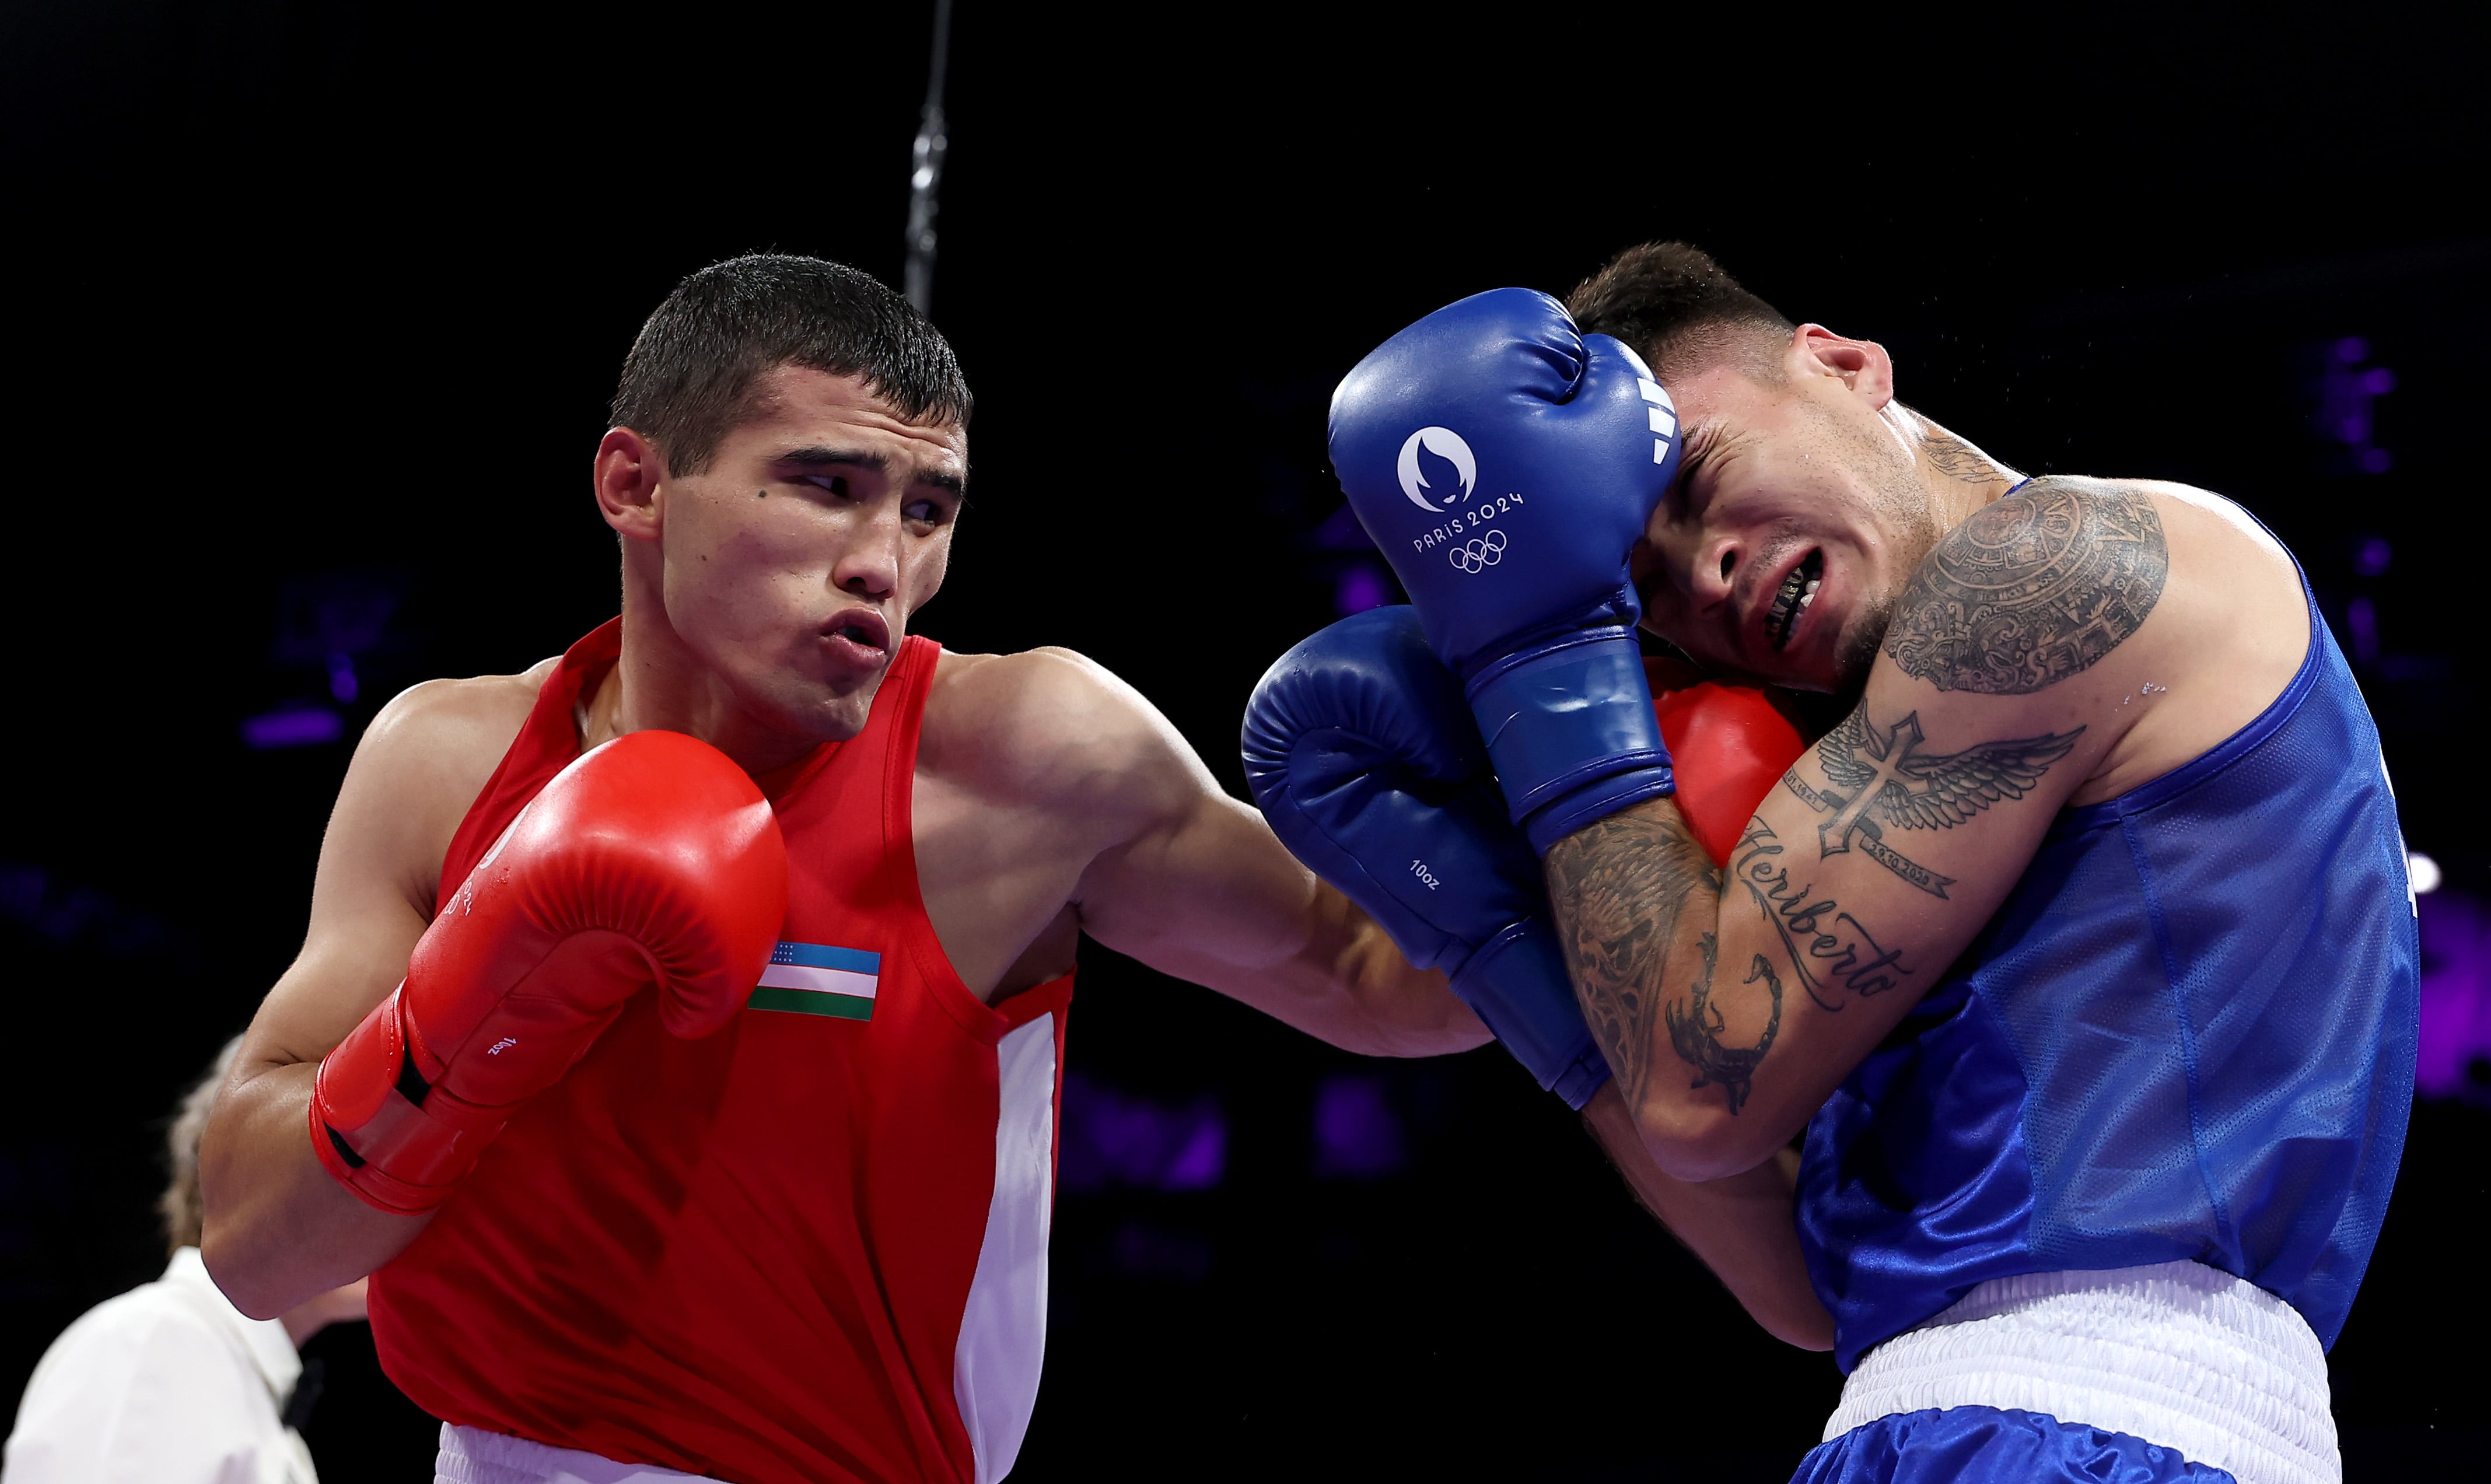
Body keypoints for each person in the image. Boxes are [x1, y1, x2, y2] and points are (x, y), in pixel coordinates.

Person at [194, 254, 1817, 1484]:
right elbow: (259, 1250)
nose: (881, 560)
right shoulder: (449, 759)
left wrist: (1605, 748)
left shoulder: (1021, 750)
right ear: (635, 485)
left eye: (928, 507)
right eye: (824, 484)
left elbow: (1376, 982)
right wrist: (469, 1009)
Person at [1287, 249, 2417, 1484]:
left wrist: (1534, 652)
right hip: (1949, 1416)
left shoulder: (2067, 565)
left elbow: (1693, 1093)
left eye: (1696, 479)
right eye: (1639, 591)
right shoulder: (1876, 803)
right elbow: (1805, 1289)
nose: (1700, 573)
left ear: (1842, 364)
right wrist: (1502, 939)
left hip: (2077, 1422)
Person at [5, 1037, 370, 1484]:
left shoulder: (207, 1364)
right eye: (359, 1159)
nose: (400, 1201)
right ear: (256, 1177)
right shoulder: (154, 1342)